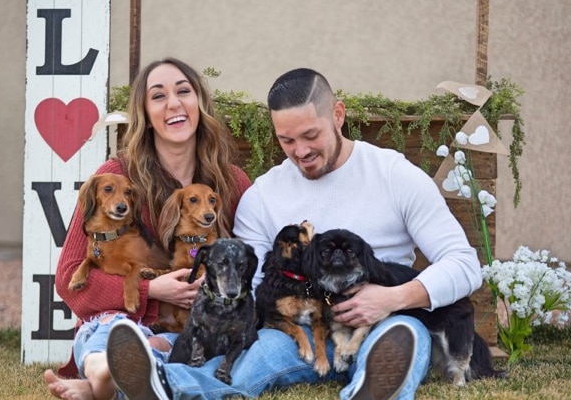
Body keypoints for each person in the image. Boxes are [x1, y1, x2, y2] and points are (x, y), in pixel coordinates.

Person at [105, 68, 482, 399]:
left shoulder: (394, 174)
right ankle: (164, 385)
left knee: (404, 339)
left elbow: (464, 265)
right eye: (286, 141)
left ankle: (373, 388)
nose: (300, 151)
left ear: (338, 115)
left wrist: (395, 297)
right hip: (294, 328)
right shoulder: (264, 196)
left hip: (381, 321)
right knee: (253, 363)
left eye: (310, 135)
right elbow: (247, 286)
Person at [43, 57, 252, 400]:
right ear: (145, 114)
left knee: (179, 349)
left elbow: (252, 262)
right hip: (115, 322)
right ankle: (101, 371)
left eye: (183, 91)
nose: (173, 103)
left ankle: (102, 385)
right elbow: (69, 280)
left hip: (187, 329)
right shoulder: (115, 177)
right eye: (158, 96)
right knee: (115, 332)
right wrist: (151, 291)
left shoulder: (230, 183)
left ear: (199, 102)